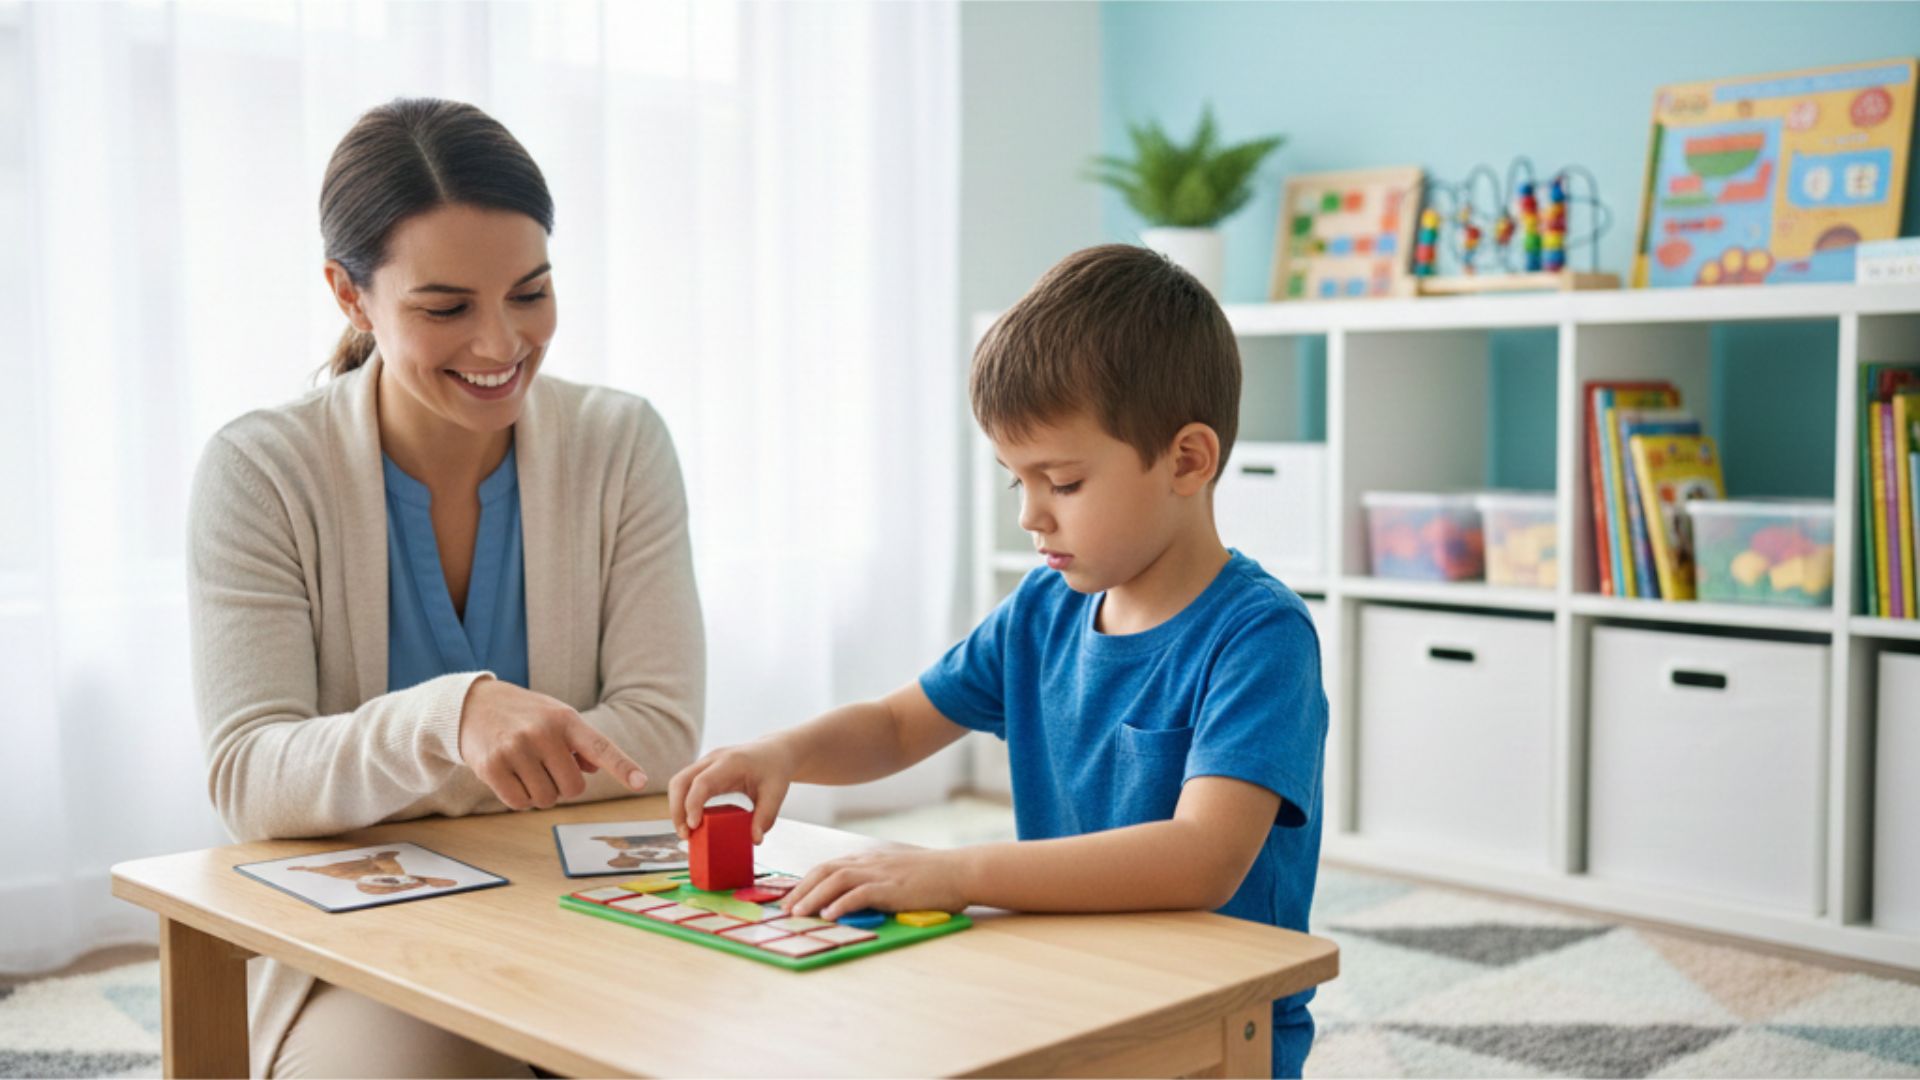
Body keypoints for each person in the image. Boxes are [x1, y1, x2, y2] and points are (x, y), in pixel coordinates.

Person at [668, 243, 1329, 1077]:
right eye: (1016, 480)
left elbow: (1203, 856)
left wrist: (956, 873)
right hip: (1069, 984)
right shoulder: (1043, 609)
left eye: (1062, 482)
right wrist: (785, 752)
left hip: (1216, 1019)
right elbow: (896, 725)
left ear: (1187, 460)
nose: (1030, 516)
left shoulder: (1260, 636)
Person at [186, 98, 705, 1078]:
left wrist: (384, 785)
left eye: (531, 292)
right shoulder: (260, 470)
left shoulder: (621, 443)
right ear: (350, 295)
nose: (502, 343)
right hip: (367, 944)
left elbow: (658, 734)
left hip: (596, 907)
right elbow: (252, 782)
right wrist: (450, 718)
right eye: (447, 307)